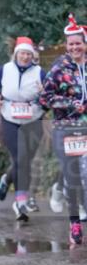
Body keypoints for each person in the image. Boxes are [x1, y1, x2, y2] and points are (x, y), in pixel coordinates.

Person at [41, 14, 87, 246]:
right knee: (73, 177)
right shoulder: (60, 67)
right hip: (65, 128)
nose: (75, 47)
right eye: (71, 44)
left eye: (78, 43)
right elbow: (45, 97)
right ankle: (75, 223)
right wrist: (70, 104)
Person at [0, 37, 47, 221]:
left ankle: (7, 179)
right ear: (16, 54)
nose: (25, 57)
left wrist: (44, 93)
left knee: (25, 160)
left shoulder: (40, 72)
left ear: (32, 55)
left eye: (28, 54)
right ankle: (20, 201)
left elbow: (49, 95)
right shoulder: (5, 69)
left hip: (33, 119)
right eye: (22, 53)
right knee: (20, 157)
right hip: (10, 118)